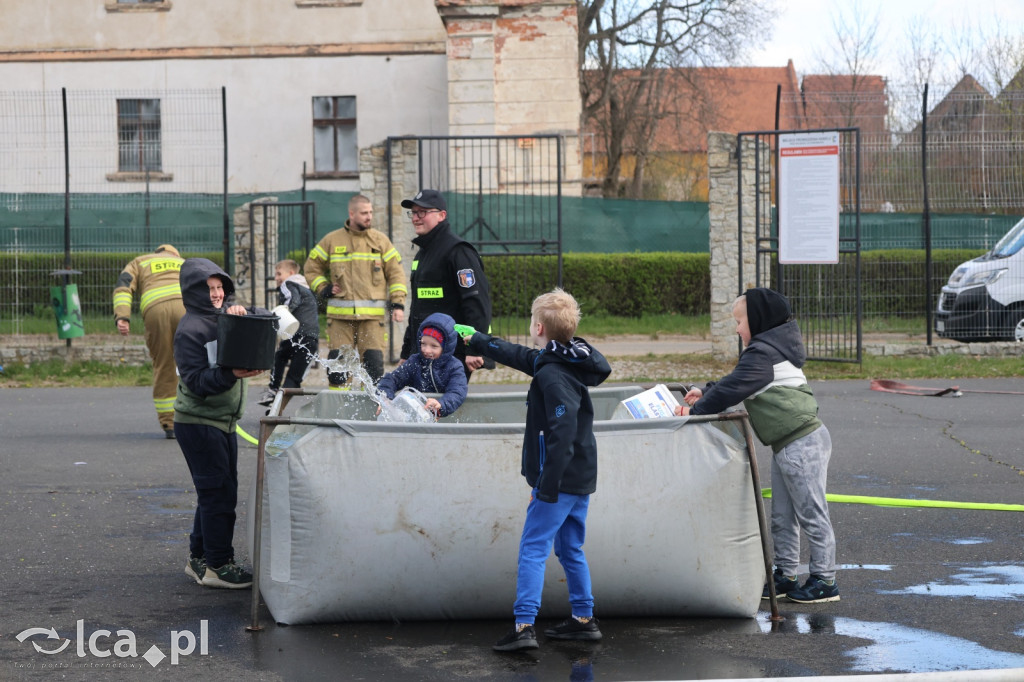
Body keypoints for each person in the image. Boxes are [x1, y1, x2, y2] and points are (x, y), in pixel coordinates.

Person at [460, 288, 611, 652]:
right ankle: (583, 619)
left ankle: (524, 626)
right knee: (570, 547)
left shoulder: (553, 376)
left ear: (538, 326)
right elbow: (522, 356)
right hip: (580, 478)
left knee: (533, 548)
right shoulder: (564, 358)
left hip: (558, 481)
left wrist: (546, 486)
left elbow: (563, 432)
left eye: (531, 322)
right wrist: (477, 340)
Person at [676, 287, 838, 604]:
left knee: (811, 513)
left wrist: (695, 410)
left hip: (802, 442)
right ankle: (786, 575)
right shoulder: (767, 350)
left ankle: (825, 580)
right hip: (787, 442)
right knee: (782, 516)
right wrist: (705, 391)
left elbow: (735, 386)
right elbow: (736, 379)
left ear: (758, 319)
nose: (737, 328)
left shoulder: (764, 353)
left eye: (740, 321)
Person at [173, 258, 264, 589]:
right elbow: (197, 381)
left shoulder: (226, 316)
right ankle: (217, 566)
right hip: (199, 423)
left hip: (221, 422)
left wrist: (243, 310)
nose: (216, 294)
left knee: (215, 492)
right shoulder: (190, 330)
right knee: (218, 495)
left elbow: (266, 317)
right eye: (209, 288)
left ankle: (199, 558)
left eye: (219, 287)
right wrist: (231, 374)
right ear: (194, 292)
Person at [303, 194, 407, 389]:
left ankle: (369, 412)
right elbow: (311, 267)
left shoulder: (380, 241)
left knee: (374, 369)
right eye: (364, 213)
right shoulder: (332, 240)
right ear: (352, 213)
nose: (369, 217)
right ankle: (339, 412)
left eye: (371, 212)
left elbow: (396, 274)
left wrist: (398, 303)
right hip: (340, 321)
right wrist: (323, 288)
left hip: (372, 320)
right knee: (338, 371)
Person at [400, 189, 492, 381]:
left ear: (441, 215)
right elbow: (418, 308)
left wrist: (475, 347)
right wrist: (407, 352)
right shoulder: (423, 253)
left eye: (422, 212)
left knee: (442, 407)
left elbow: (476, 303)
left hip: (453, 353)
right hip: (425, 351)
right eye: (413, 213)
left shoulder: (458, 251)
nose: (416, 218)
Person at [113, 244, 186, 438]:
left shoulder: (141, 261)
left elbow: (123, 285)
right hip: (186, 309)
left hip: (155, 311)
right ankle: (198, 418)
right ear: (174, 254)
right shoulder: (184, 263)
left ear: (158, 254)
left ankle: (170, 424)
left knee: (164, 364)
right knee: (194, 361)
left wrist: (122, 316)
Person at [376, 312, 468, 419]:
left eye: (434, 346)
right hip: (417, 417)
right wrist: (385, 398)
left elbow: (457, 392)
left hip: (445, 420)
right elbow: (392, 379)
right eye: (423, 343)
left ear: (446, 348)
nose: (427, 350)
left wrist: (441, 404)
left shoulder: (454, 367)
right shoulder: (415, 361)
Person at [257, 259, 320, 407]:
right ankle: (277, 410)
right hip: (312, 338)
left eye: (279, 273)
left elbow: (292, 300)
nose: (276, 278)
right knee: (294, 377)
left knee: (279, 356)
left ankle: (272, 390)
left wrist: (282, 313)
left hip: (296, 332)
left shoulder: (289, 283)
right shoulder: (308, 289)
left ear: (291, 273)